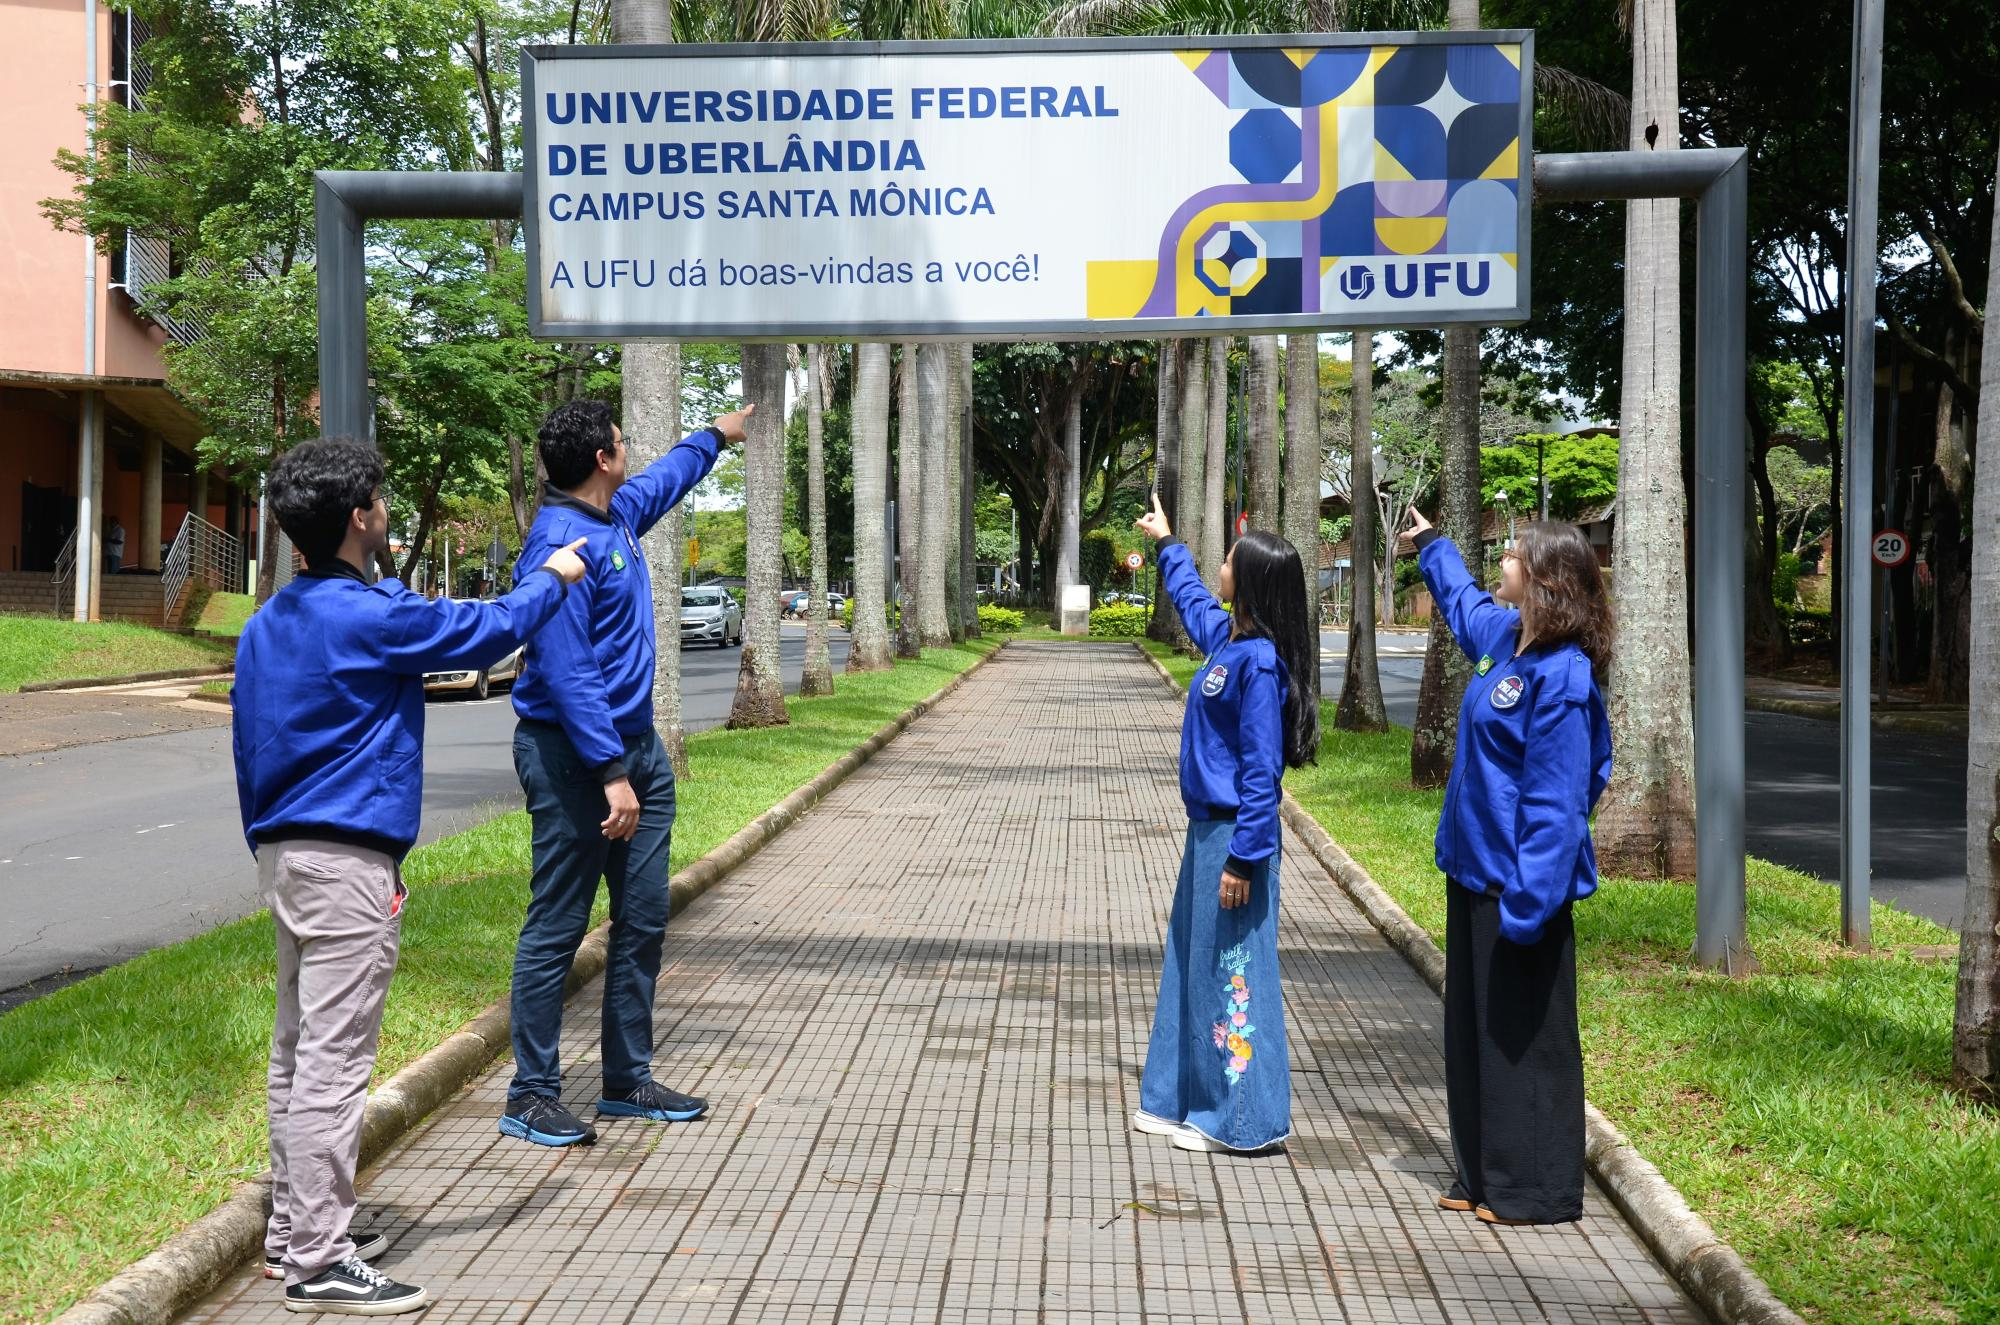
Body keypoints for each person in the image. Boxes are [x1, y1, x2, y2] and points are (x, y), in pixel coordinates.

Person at [233, 438, 588, 1314]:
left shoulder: (270, 621)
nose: (388, 511)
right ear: (360, 518)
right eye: (382, 502)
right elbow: (492, 627)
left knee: (296, 1054)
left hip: (285, 854)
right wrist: (558, 574)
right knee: (332, 1063)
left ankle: (292, 1235)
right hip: (349, 859)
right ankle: (317, 1255)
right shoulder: (368, 618)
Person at [501, 399, 750, 1147]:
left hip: (634, 752)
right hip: (575, 758)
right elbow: (569, 672)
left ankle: (625, 1079)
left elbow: (667, 479)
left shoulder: (614, 515)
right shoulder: (559, 544)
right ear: (604, 460)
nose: (628, 448)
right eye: (621, 441)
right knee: (559, 925)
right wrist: (613, 773)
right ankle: (531, 1093)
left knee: (641, 920)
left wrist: (715, 438)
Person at [1406, 506, 1614, 1226]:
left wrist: (1529, 903)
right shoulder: (1506, 641)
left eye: (1515, 554)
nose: (1503, 559)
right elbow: (1462, 603)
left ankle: (1533, 1189)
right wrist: (1431, 543)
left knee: (1525, 1040)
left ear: (1545, 578)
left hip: (1519, 889)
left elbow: (1558, 803)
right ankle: (1482, 1171)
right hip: (1470, 876)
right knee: (1473, 1034)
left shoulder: (1562, 676)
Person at [1130, 493, 1320, 1154]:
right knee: (1191, 961)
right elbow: (1192, 601)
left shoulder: (1261, 664)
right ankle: (1177, 1097)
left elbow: (1262, 771)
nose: (1223, 562)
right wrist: (1166, 544)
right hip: (1205, 832)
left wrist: (1245, 857)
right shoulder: (1229, 643)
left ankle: (1241, 1118)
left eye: (1231, 558)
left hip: (1236, 835)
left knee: (1235, 969)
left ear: (1254, 577)